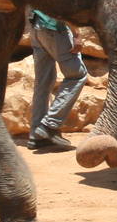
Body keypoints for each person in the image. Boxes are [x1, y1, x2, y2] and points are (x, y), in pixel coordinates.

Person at [26, 8, 86, 152]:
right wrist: (77, 34)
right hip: (54, 28)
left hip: (36, 27)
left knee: (43, 82)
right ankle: (49, 126)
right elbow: (65, 6)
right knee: (77, 75)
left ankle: (36, 135)